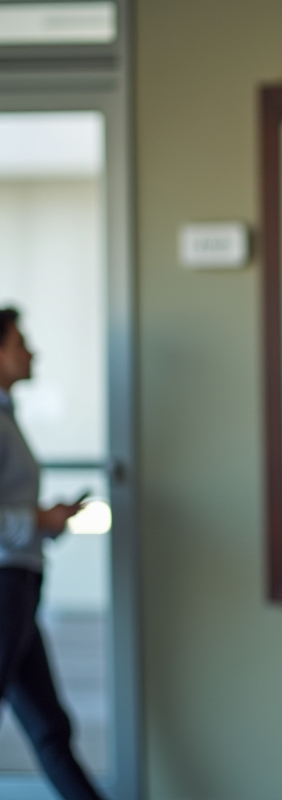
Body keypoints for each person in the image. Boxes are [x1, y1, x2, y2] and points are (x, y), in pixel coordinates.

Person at [0, 308, 107, 800]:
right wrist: (39, 521)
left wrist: (48, 522)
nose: (31, 351)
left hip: (20, 585)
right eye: (20, 342)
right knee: (48, 727)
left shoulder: (8, 419)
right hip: (5, 586)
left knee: (50, 727)